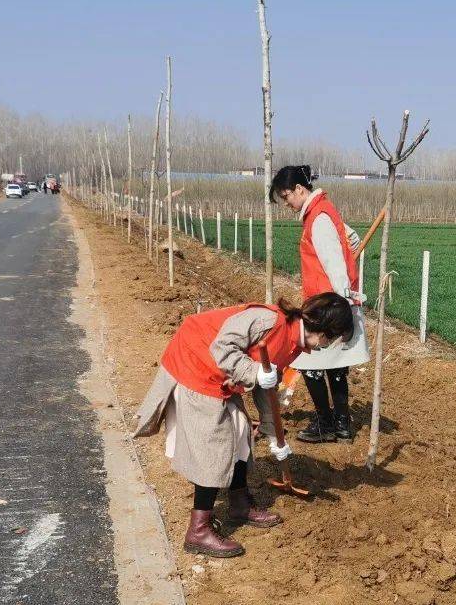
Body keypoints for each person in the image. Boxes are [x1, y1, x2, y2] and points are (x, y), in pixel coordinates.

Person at [132, 293, 354, 558]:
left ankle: (239, 505)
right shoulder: (268, 321)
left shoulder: (293, 342)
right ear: (322, 328)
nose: (325, 347)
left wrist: (273, 435)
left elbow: (266, 388)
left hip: (222, 374)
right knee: (214, 445)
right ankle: (198, 531)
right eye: (331, 340)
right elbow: (222, 348)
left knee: (239, 432)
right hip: (196, 364)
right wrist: (254, 372)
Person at [270, 165, 370, 443]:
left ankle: (327, 423)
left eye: (287, 196)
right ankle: (342, 425)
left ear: (300, 190)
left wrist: (342, 298)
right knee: (335, 365)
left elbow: (334, 264)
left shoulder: (318, 219)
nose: (287, 204)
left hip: (325, 305)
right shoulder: (323, 211)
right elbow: (350, 238)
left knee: (308, 361)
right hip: (327, 303)